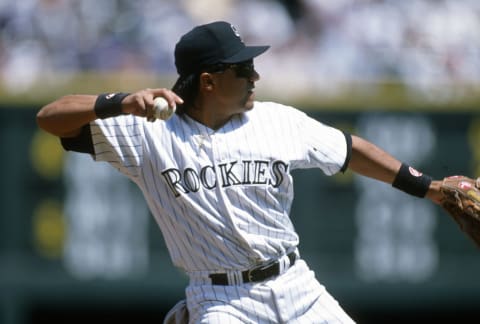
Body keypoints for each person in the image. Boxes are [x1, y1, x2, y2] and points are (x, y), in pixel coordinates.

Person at [37, 21, 444, 323]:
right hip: (221, 302)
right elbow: (51, 118)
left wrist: (427, 187)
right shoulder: (147, 134)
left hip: (296, 286)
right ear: (210, 82)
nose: (255, 77)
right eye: (243, 69)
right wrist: (120, 102)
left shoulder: (278, 120)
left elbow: (350, 149)